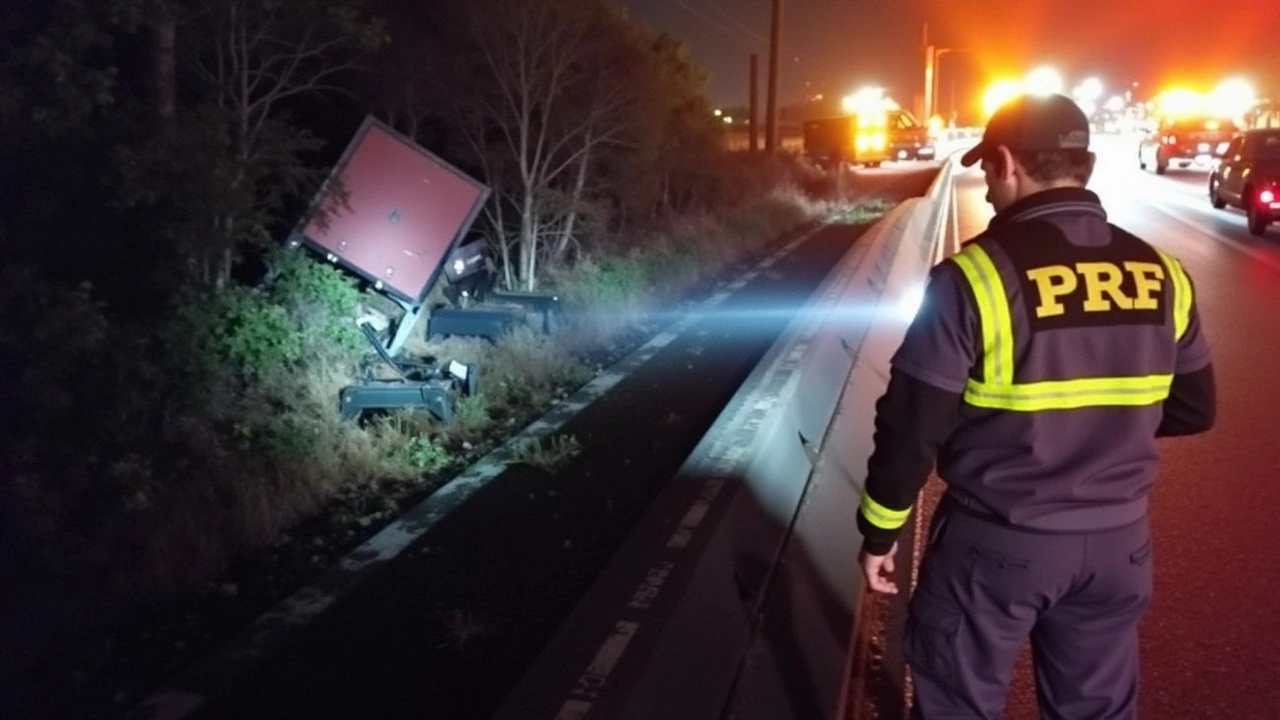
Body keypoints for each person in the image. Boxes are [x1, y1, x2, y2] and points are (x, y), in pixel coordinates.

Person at [855, 93, 1216, 719]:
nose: (989, 191)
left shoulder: (974, 278)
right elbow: (1193, 408)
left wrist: (880, 531)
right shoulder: (1164, 272)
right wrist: (1104, 426)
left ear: (1005, 163)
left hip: (997, 541)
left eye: (989, 173)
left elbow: (913, 426)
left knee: (957, 705)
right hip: (1118, 546)